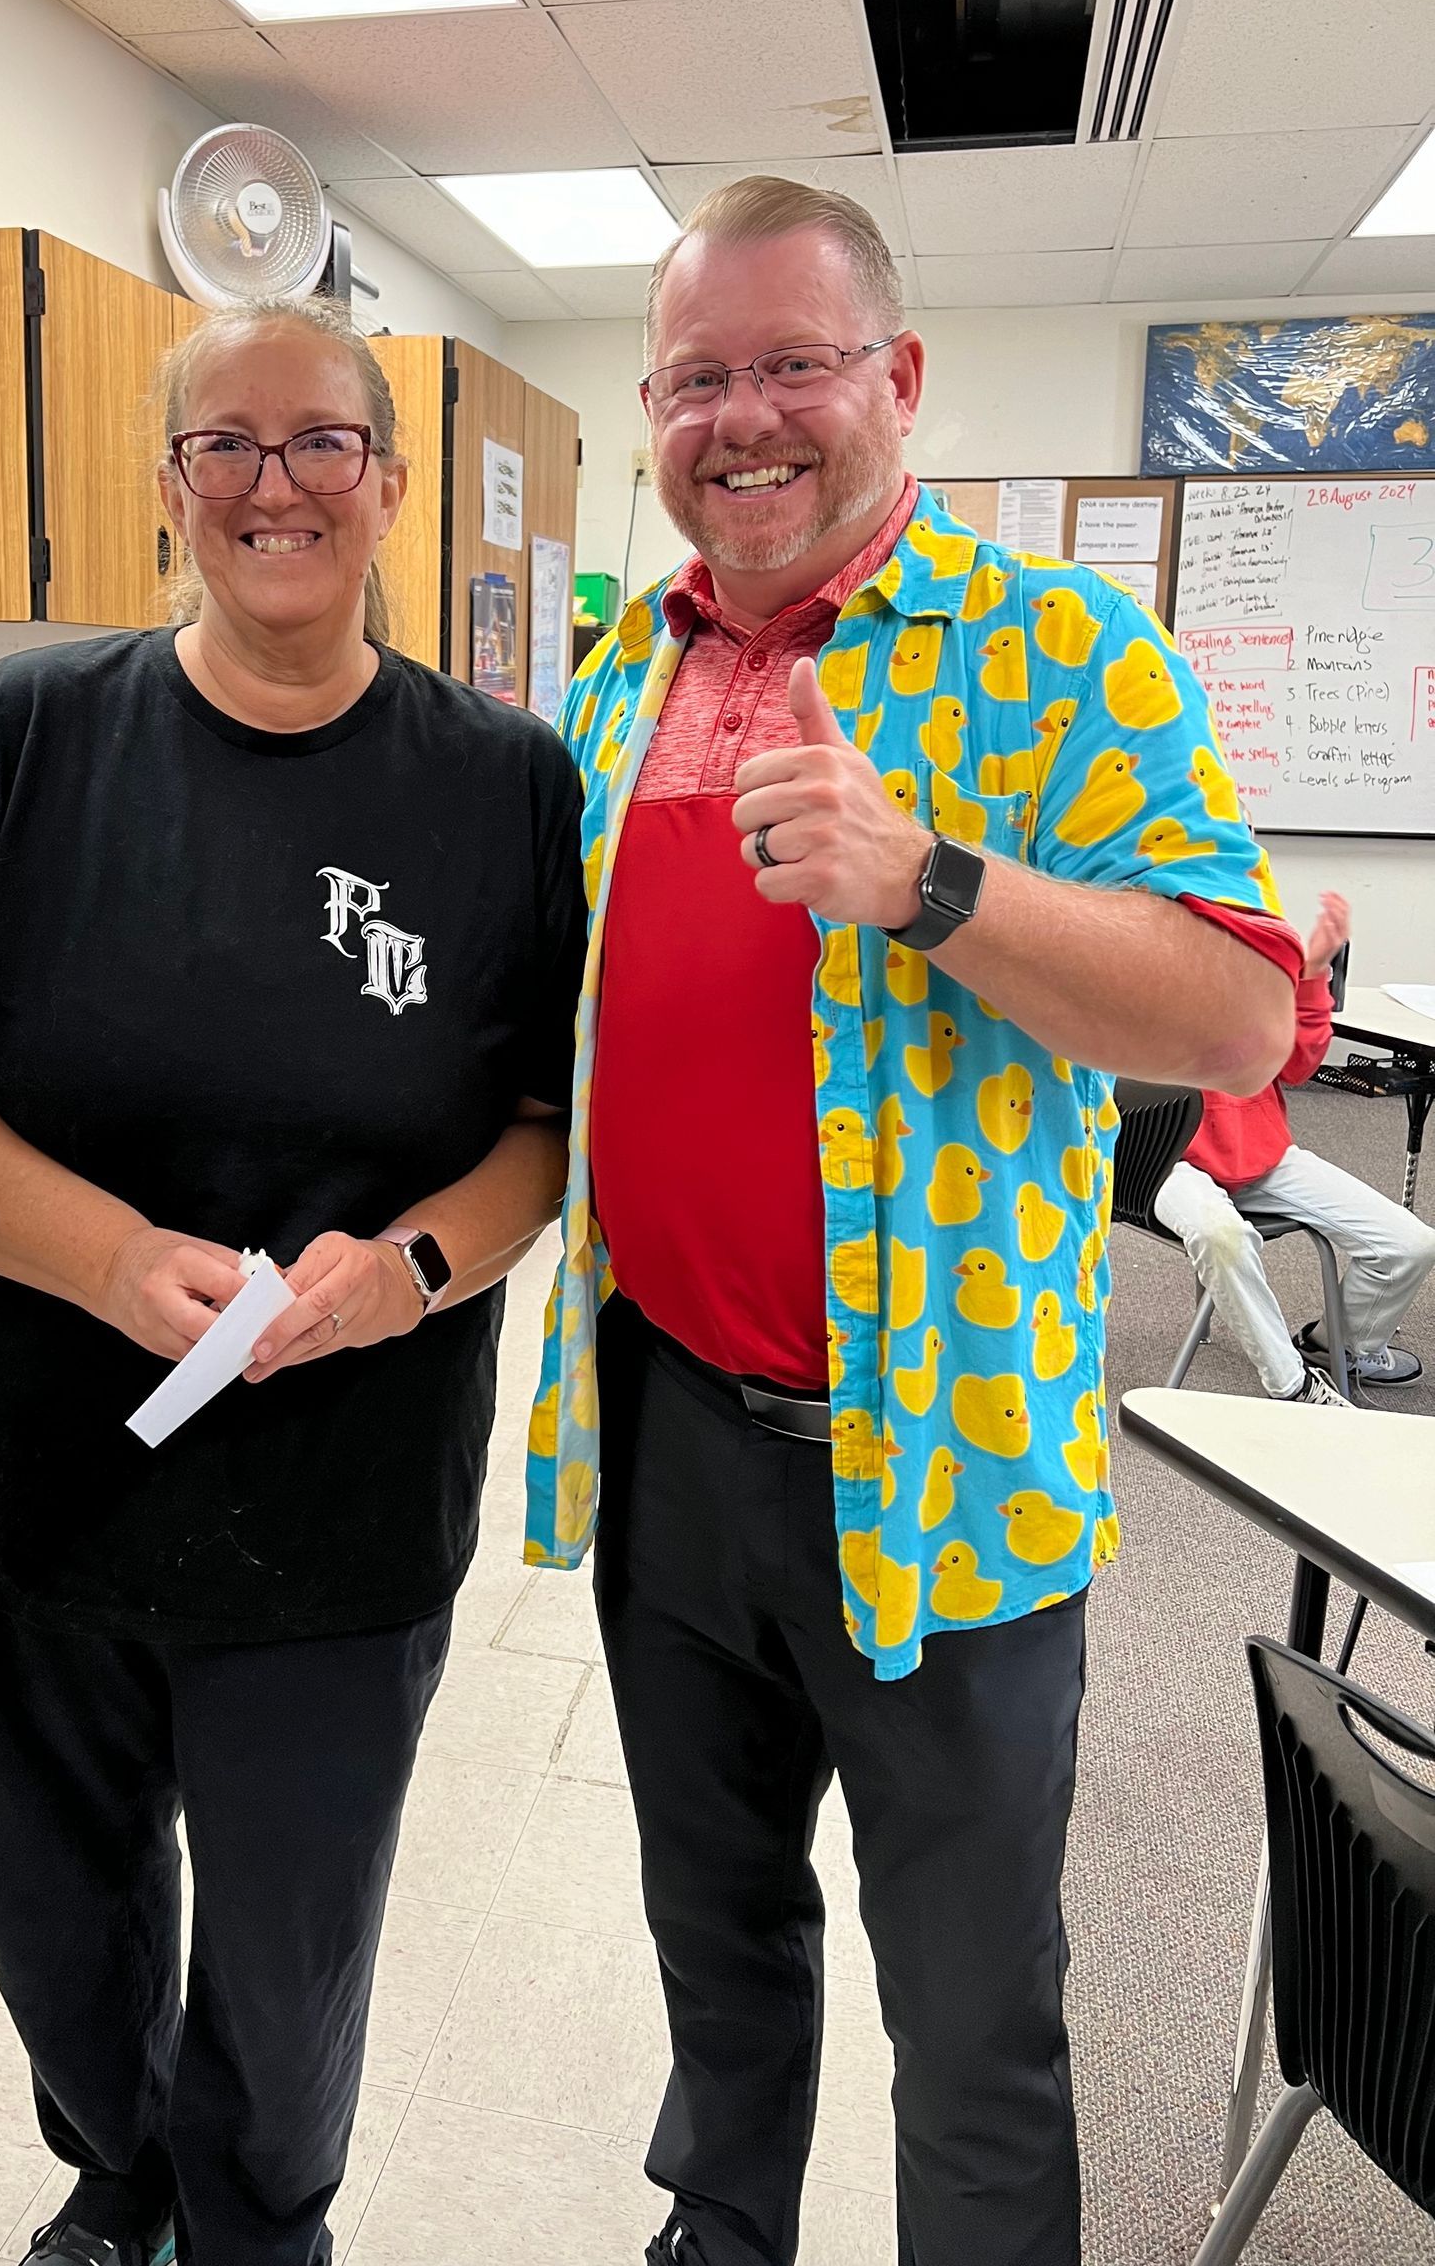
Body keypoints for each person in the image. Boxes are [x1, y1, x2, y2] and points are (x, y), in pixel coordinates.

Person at [522, 176, 1296, 2266]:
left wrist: (934, 880)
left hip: (942, 1459)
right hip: (671, 1432)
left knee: (971, 2013)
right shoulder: (617, 671)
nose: (744, 418)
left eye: (795, 364)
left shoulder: (1056, 651)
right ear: (654, 407)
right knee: (718, 1937)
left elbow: (1239, 1010)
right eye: (698, 376)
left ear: (900, 383)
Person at [0, 293, 586, 2266]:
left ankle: (261, 2222)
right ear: (167, 488)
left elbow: (544, 1125)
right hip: (32, 1470)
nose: (273, 481)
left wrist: (413, 1265)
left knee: (289, 1939)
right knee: (57, 1916)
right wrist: (111, 1254)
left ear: (392, 485)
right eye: (223, 443)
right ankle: (116, 2170)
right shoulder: (27, 737)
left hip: (337, 1497)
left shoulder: (500, 786)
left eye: (321, 439)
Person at [1155, 888, 1435, 1403]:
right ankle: (1296, 1388)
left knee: (1410, 1245)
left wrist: (1313, 970)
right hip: (1162, 1157)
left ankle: (1335, 1347)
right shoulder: (1146, 930)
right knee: (1224, 1237)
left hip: (1259, 1151)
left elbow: (1298, 1065)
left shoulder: (1253, 938)